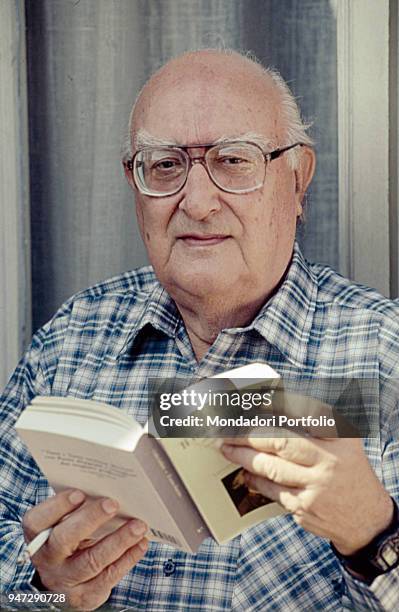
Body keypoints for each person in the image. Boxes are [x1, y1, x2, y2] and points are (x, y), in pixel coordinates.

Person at [1, 48, 399, 611]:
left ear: (298, 176)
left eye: (234, 161)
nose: (198, 201)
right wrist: (44, 594)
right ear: (133, 185)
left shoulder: (385, 352)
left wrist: (374, 535)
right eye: (164, 165)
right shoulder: (71, 340)